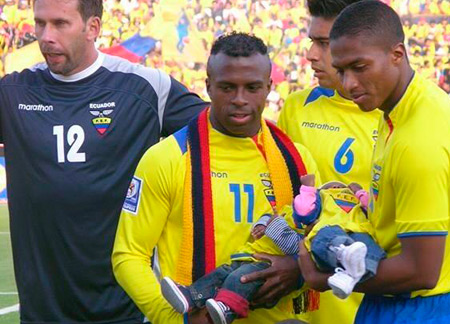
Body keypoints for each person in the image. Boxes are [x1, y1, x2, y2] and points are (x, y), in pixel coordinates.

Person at [0, 0, 207, 322]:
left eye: (60, 23)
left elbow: (221, 130)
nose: (45, 36)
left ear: (93, 28)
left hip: (127, 309)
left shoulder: (147, 88)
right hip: (42, 313)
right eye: (40, 24)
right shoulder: (13, 92)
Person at [112, 32, 320, 324]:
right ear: (208, 86)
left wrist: (298, 270)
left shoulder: (297, 161)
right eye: (227, 87)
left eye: (252, 88)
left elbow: (318, 243)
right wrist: (177, 320)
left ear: (269, 87)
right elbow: (128, 256)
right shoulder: (167, 158)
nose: (239, 99)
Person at [298, 2, 450, 323]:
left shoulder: (419, 139)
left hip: (416, 310)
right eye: (342, 71)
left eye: (360, 67)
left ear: (397, 54)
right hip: (402, 304)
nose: (350, 83)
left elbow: (421, 272)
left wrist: (321, 280)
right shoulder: (402, 107)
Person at [276, 0, 382, 322]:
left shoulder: (401, 119)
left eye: (324, 43)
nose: (310, 54)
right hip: (308, 306)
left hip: (374, 301)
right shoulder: (296, 110)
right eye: (312, 41)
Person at [158, 174, 385, 323]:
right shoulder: (292, 212)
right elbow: (272, 214)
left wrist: (279, 228)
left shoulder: (315, 232)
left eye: (339, 190)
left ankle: (227, 307)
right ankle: (191, 295)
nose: (335, 190)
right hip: (251, 252)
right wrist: (262, 224)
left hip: (266, 262)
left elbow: (293, 245)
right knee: (224, 272)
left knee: (241, 277)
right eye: (329, 189)